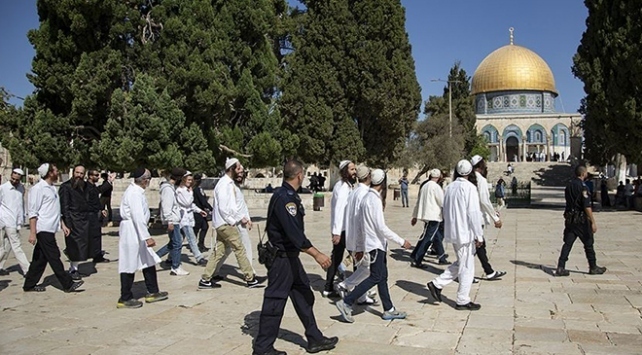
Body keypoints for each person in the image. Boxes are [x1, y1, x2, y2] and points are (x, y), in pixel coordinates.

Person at [253, 159, 338, 355]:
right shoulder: (286, 199)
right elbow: (294, 234)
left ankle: (315, 339)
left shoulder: (285, 194)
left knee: (303, 295)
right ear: (300, 175)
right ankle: (263, 348)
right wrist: (316, 254)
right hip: (282, 260)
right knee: (275, 301)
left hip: (290, 258)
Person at [335, 169, 412, 323]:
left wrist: (359, 246)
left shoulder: (366, 198)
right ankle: (346, 301)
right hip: (375, 245)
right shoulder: (373, 200)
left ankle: (388, 309)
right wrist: (401, 241)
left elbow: (361, 225)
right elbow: (381, 227)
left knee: (382, 277)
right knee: (376, 277)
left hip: (373, 245)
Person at [426, 160, 483, 310]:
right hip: (465, 232)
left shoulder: (450, 187)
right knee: (467, 267)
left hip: (454, 231)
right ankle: (462, 300)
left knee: (461, 262)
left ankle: (437, 284)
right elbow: (473, 213)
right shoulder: (470, 188)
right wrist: (479, 234)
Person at [199, 158, 260, 288]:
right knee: (239, 249)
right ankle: (250, 278)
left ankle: (206, 279)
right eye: (238, 168)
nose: (240, 171)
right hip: (226, 223)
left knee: (218, 252)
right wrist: (233, 221)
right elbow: (223, 207)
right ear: (231, 169)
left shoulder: (229, 184)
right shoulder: (224, 185)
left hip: (224, 223)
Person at [23, 163, 84, 293]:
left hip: (51, 228)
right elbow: (32, 213)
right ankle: (67, 284)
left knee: (39, 259)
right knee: (54, 256)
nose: (58, 172)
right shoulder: (38, 189)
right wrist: (33, 233)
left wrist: (62, 225)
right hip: (43, 228)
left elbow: (55, 210)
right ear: (50, 173)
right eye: (55, 170)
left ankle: (29, 284)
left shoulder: (51, 188)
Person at [117, 167, 168, 308]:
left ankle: (153, 291)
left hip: (136, 229)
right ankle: (125, 297)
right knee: (129, 262)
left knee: (148, 260)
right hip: (132, 230)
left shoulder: (137, 192)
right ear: (145, 181)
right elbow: (137, 216)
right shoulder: (134, 193)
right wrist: (147, 237)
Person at [556, 165, 607, 276]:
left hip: (570, 219)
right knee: (588, 243)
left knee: (567, 244)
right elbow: (586, 206)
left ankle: (560, 266)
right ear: (583, 174)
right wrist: (593, 221)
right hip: (581, 220)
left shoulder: (569, 185)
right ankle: (593, 267)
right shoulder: (583, 187)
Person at [337, 164, 377, 305]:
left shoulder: (354, 191)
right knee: (368, 269)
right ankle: (345, 285)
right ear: (368, 177)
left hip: (352, 236)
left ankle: (361, 296)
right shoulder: (365, 194)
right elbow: (363, 218)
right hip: (361, 238)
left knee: (362, 267)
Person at [212, 163, 257, 276]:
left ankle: (213, 271)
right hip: (234, 222)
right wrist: (241, 218)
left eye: (242, 173)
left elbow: (242, 205)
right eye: (239, 172)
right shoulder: (228, 186)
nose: (240, 175)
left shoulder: (236, 187)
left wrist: (248, 218)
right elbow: (230, 207)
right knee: (245, 246)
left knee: (225, 249)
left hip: (239, 221)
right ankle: (251, 273)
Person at [471, 155, 506, 280]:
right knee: (475, 247)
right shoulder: (480, 180)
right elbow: (485, 201)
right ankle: (461, 274)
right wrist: (495, 218)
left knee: (478, 246)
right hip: (477, 217)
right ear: (481, 166)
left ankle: (489, 271)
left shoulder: (469, 179)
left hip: (469, 217)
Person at [410, 169, 449, 268]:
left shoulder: (425, 186)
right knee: (428, 238)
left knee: (428, 236)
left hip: (426, 215)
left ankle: (416, 254)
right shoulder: (435, 187)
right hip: (434, 216)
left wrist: (415, 216)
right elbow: (442, 202)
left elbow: (419, 201)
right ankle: (417, 259)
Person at [59, 165, 92, 280]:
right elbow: (64, 206)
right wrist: (66, 223)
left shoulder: (86, 186)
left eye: (81, 173)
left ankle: (75, 267)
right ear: (73, 173)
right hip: (72, 220)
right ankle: (73, 269)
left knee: (82, 246)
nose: (79, 175)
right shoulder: (65, 187)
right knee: (74, 245)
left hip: (83, 220)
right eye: (77, 173)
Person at [156, 168, 190, 276]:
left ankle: (151, 258)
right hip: (172, 221)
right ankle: (175, 267)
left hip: (175, 219)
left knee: (172, 244)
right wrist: (170, 221)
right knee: (177, 243)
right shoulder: (168, 189)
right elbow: (167, 206)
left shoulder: (171, 188)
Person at [0, 168, 30, 276]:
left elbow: (20, 205)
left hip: (15, 221)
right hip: (5, 220)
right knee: (16, 246)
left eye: (17, 180)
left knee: (6, 246)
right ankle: (27, 269)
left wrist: (22, 219)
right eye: (13, 178)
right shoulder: (3, 188)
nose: (14, 181)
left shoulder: (21, 188)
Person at [175, 171, 208, 265]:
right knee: (191, 238)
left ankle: (169, 256)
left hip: (188, 217)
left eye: (191, 180)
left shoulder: (186, 190)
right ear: (183, 179)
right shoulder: (180, 191)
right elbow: (187, 203)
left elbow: (191, 205)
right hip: (184, 218)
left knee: (178, 240)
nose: (190, 182)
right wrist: (191, 193)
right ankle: (199, 257)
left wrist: (199, 211)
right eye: (188, 180)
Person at [87, 169, 109, 263]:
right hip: (90, 214)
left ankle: (97, 255)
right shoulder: (86, 187)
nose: (98, 177)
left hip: (95, 214)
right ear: (90, 176)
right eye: (96, 175)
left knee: (96, 235)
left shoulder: (92, 186)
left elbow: (97, 195)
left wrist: (101, 209)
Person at [192, 173, 212, 252]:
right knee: (197, 229)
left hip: (201, 211)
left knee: (204, 227)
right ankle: (196, 245)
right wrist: (210, 208)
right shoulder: (196, 189)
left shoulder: (198, 189)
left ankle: (200, 244)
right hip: (197, 211)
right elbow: (202, 201)